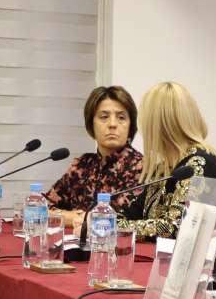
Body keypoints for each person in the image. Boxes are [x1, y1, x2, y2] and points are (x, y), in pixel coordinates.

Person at [120, 81, 216, 239]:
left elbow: (175, 228)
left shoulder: (199, 164)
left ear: (157, 125)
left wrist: (112, 226)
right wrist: (103, 219)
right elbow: (132, 214)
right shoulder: (164, 168)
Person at [45, 85, 143, 227]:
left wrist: (78, 218)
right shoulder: (82, 165)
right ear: (91, 124)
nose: (112, 124)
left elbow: (115, 221)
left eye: (121, 117)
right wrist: (73, 218)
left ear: (130, 126)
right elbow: (39, 208)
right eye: (104, 117)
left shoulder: (141, 168)